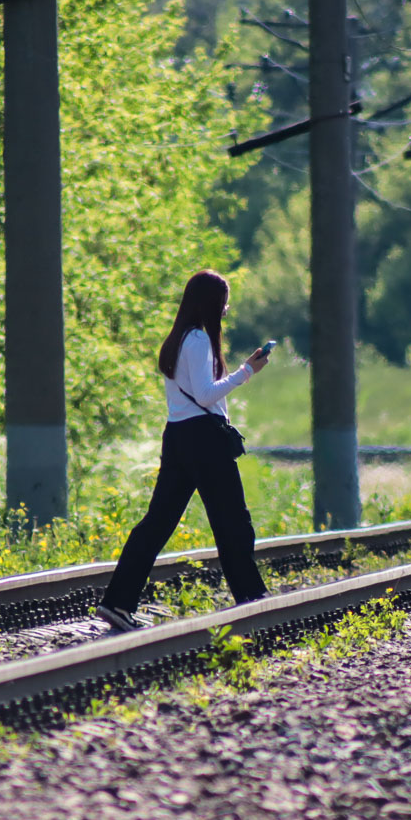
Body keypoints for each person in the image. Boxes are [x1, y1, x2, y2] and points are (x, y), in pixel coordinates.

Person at [96, 269, 271, 632]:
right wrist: (246, 372)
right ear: (211, 302)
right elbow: (206, 395)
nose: (226, 309)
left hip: (177, 438)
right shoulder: (197, 341)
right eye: (224, 301)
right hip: (204, 441)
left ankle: (117, 602)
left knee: (157, 524)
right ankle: (253, 601)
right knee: (233, 524)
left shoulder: (178, 339)